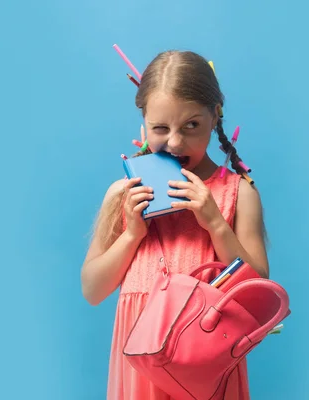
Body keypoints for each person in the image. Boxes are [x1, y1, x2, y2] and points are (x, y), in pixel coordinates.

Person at [81, 49, 270, 400]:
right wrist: (133, 235)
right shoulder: (123, 193)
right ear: (143, 124)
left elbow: (258, 290)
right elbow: (93, 290)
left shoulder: (238, 194)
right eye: (160, 128)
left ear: (215, 117)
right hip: (140, 363)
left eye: (191, 126)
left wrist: (215, 223)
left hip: (205, 365)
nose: (174, 142)